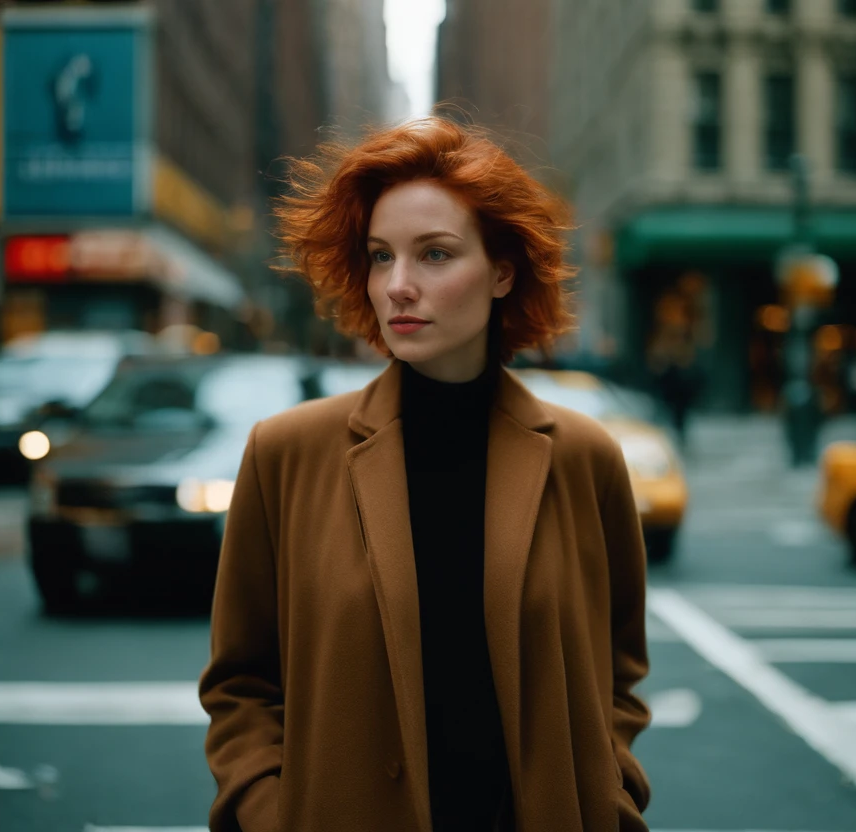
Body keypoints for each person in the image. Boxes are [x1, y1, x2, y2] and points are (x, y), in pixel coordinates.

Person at [199, 117, 651, 832]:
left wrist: (608, 792)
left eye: (434, 255)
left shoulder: (582, 457)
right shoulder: (287, 453)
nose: (399, 286)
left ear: (502, 272)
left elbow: (618, 670)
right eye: (382, 257)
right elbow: (241, 683)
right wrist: (269, 809)